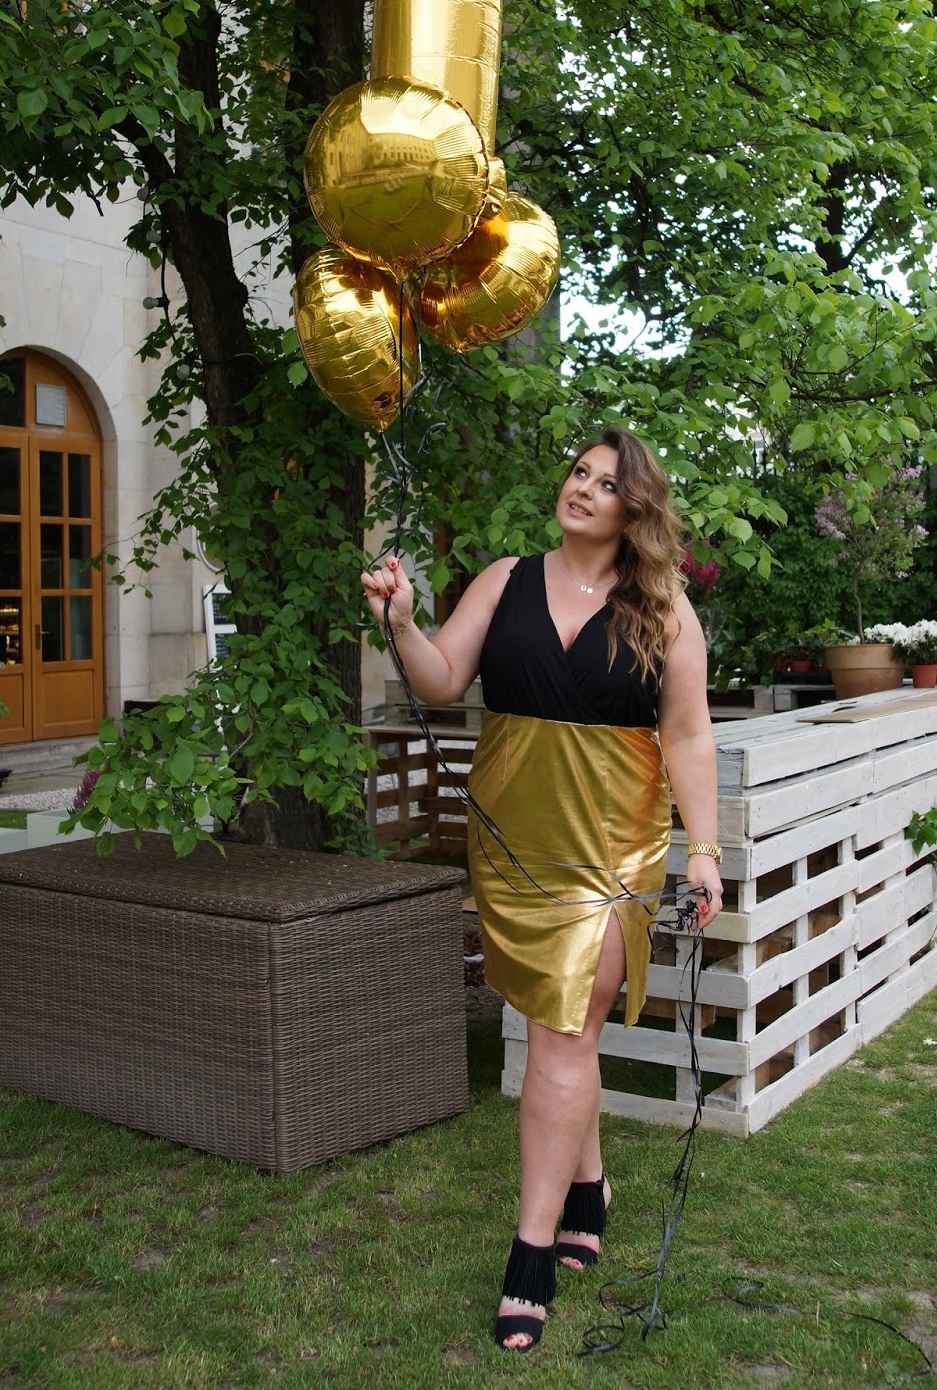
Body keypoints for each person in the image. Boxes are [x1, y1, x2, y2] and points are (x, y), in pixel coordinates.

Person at [361, 426, 721, 1352]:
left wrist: (705, 850)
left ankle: (530, 1254)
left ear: (634, 509)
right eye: (578, 473)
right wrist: (402, 622)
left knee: (562, 1032)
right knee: (570, 1030)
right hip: (514, 840)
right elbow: (443, 681)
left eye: (606, 483)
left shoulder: (664, 609)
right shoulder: (505, 579)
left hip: (612, 849)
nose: (583, 489)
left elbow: (688, 735)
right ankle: (589, 1187)